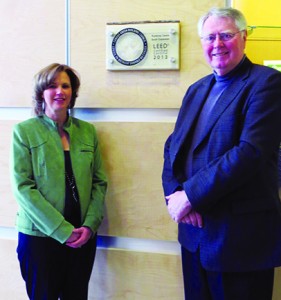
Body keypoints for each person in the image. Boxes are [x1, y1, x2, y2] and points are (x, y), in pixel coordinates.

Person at [162, 7, 281, 300]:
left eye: (226, 35)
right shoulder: (196, 89)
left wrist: (189, 196)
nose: (217, 44)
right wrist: (176, 193)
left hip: (239, 240)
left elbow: (250, 152)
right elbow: (172, 146)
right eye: (210, 37)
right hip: (195, 237)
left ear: (243, 37)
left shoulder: (267, 83)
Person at [10, 63, 108, 300]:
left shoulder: (88, 132)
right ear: (41, 92)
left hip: (81, 236)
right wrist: (62, 231)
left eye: (66, 86)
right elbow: (23, 188)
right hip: (40, 239)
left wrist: (90, 225)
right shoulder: (24, 132)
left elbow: (99, 182)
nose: (60, 91)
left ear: (73, 93)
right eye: (52, 86)